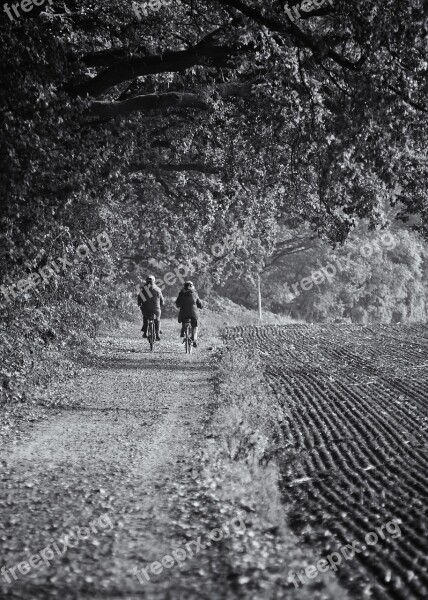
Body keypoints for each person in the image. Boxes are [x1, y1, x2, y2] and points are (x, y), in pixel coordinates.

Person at [175, 281, 203, 347]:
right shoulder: (195, 293)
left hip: (184, 313)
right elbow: (200, 304)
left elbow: (177, 303)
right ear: (192, 286)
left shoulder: (181, 293)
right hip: (193, 314)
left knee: (184, 320)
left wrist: (179, 305)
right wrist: (201, 306)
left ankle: (183, 332)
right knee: (195, 326)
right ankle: (194, 339)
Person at [138, 275, 164, 341]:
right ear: (154, 281)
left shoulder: (143, 289)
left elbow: (140, 299)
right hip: (156, 309)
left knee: (145, 318)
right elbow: (162, 300)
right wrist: (161, 304)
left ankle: (145, 332)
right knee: (157, 320)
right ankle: (157, 334)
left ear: (146, 281)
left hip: (146, 309)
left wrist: (139, 304)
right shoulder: (158, 289)